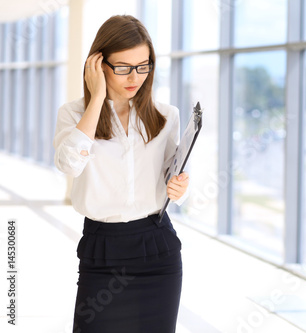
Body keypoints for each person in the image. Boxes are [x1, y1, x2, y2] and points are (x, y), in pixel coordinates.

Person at [53, 15, 189, 333]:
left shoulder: (167, 116)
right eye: (123, 67)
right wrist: (97, 98)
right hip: (103, 248)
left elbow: (177, 174)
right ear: (98, 65)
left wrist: (181, 187)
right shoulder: (73, 114)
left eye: (143, 66)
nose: (135, 77)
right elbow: (69, 164)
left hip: (158, 247)